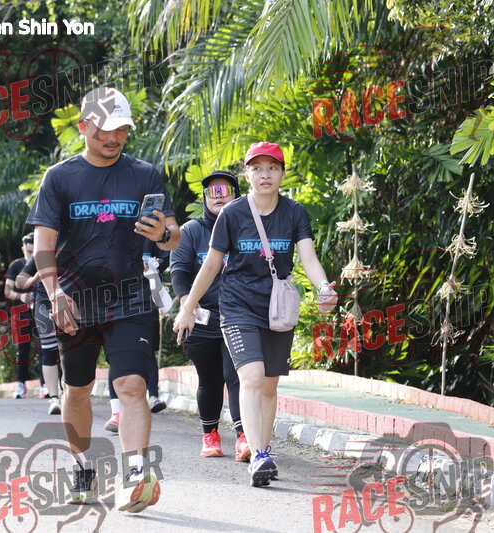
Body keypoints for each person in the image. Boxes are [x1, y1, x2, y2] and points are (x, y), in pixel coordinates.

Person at [27, 87, 180, 512]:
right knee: (77, 390)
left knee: (131, 384)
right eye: (104, 130)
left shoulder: (144, 174)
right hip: (74, 301)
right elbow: (43, 245)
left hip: (130, 297)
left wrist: (163, 234)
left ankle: (136, 475)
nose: (113, 138)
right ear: (83, 127)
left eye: (121, 130)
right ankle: (83, 468)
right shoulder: (59, 177)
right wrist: (55, 292)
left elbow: (173, 236)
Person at [173, 142, 338, 486]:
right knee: (251, 377)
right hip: (237, 307)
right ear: (247, 175)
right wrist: (188, 308)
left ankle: (264, 447)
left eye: (272, 168)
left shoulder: (294, 212)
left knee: (268, 385)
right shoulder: (232, 214)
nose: (265, 175)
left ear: (282, 174)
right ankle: (259, 455)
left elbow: (308, 257)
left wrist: (324, 287)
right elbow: (211, 265)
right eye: (257, 169)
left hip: (277, 309)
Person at [170, 170, 249, 460]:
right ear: (204, 198)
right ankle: (210, 435)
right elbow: (179, 272)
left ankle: (244, 436)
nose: (218, 197)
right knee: (210, 379)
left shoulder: (247, 227)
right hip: (201, 317)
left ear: (236, 196)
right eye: (212, 192)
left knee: (236, 375)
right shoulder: (191, 231)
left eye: (224, 191)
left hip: (239, 315)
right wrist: (187, 307)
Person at [104, 242, 168, 434]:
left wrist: (152, 267)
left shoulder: (150, 233)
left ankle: (152, 396)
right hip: (117, 306)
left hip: (146, 305)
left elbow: (165, 257)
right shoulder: (113, 231)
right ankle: (116, 412)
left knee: (147, 354)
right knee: (117, 357)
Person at [15, 254, 62, 415]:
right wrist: (35, 278)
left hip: (73, 299)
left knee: (70, 350)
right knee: (49, 351)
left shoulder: (73, 245)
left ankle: (69, 392)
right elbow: (20, 281)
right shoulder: (40, 253)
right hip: (44, 303)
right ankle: (54, 398)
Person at [4, 233, 42, 399]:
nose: (31, 255)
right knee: (22, 350)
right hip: (20, 313)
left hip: (41, 311)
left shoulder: (43, 262)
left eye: (34, 251)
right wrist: (20, 296)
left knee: (44, 349)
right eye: (28, 252)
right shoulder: (16, 265)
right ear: (23, 249)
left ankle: (45, 385)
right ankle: (21, 384)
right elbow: (7, 291)